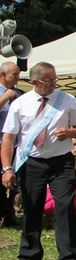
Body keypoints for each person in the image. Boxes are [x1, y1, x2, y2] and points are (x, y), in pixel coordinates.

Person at [1, 62, 76, 260]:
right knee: (32, 208)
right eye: (49, 81)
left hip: (61, 162)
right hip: (32, 162)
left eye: (55, 79)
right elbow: (9, 139)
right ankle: (28, 257)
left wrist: (68, 132)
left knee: (65, 206)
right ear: (35, 82)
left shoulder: (66, 100)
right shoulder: (20, 103)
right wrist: (6, 168)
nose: (53, 84)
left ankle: (70, 258)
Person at [44, 139, 76, 218]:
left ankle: (70, 215)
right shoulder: (61, 164)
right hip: (48, 202)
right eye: (73, 145)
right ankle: (73, 216)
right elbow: (66, 188)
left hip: (57, 200)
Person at [0, 61, 23, 226]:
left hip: (15, 145)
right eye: (14, 75)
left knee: (13, 180)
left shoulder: (19, 94)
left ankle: (9, 213)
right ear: (3, 75)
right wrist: (5, 98)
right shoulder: (5, 94)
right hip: (0, 142)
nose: (17, 78)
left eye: (18, 75)